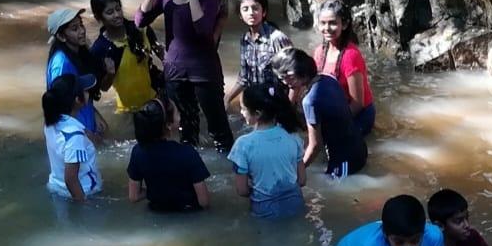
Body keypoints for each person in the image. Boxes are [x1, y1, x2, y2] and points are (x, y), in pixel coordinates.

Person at [135, 0, 234, 152]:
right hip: (175, 70)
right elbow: (140, 20)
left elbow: (203, 28)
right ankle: (192, 171)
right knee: (186, 131)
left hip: (204, 70)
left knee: (219, 130)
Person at [275, 48, 367, 178]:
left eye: (285, 78)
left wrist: (296, 171)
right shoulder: (328, 78)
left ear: (296, 75)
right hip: (359, 147)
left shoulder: (310, 101)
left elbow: (315, 146)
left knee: (333, 191)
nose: (284, 82)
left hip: (345, 161)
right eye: (281, 78)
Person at [227, 83, 306, 219]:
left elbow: (242, 190)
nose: (241, 112)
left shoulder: (243, 144)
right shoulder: (293, 136)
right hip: (296, 204)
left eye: (243, 109)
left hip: (264, 208)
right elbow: (302, 180)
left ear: (257, 114)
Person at [126, 96, 211, 212]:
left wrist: (157, 191)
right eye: (177, 113)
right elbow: (204, 202)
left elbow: (134, 196)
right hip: (189, 214)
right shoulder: (188, 153)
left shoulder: (138, 152)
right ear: (168, 125)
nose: (179, 115)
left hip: (157, 211)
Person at [89, 0, 163, 113]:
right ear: (98, 17)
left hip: (155, 99)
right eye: (110, 12)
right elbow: (103, 88)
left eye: (118, 9)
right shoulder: (100, 49)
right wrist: (110, 74)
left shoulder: (140, 28)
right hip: (128, 109)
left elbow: (160, 53)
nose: (117, 15)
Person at [223, 0, 293, 111]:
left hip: (277, 104)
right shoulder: (245, 40)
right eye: (245, 9)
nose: (251, 13)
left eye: (255, 8)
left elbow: (294, 77)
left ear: (264, 12)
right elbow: (244, 78)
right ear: (240, 15)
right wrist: (227, 99)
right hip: (257, 105)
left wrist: (289, 108)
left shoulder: (277, 39)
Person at [313, 0, 375, 136]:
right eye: (323, 23)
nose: (327, 28)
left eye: (333, 23)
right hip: (334, 110)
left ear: (345, 24)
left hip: (359, 114)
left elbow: (357, 103)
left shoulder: (351, 56)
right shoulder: (319, 52)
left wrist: (334, 124)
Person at [45, 7, 109, 141]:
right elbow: (59, 108)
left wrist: (95, 114)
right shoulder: (61, 64)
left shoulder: (78, 53)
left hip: (85, 122)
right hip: (75, 134)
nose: (82, 31)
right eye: (74, 29)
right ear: (61, 36)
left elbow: (82, 93)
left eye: (81, 25)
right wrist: (86, 134)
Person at [42, 73, 102, 203]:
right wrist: (83, 203)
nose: (88, 93)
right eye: (84, 91)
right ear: (77, 100)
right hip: (85, 191)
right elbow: (70, 179)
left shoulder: (51, 122)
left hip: (56, 188)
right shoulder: (74, 136)